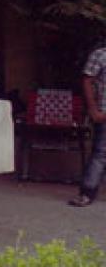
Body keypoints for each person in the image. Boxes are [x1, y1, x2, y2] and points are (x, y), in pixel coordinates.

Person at [68, 42, 106, 207]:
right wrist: (93, 109)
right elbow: (87, 81)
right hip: (105, 112)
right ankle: (87, 193)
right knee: (100, 153)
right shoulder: (100, 55)